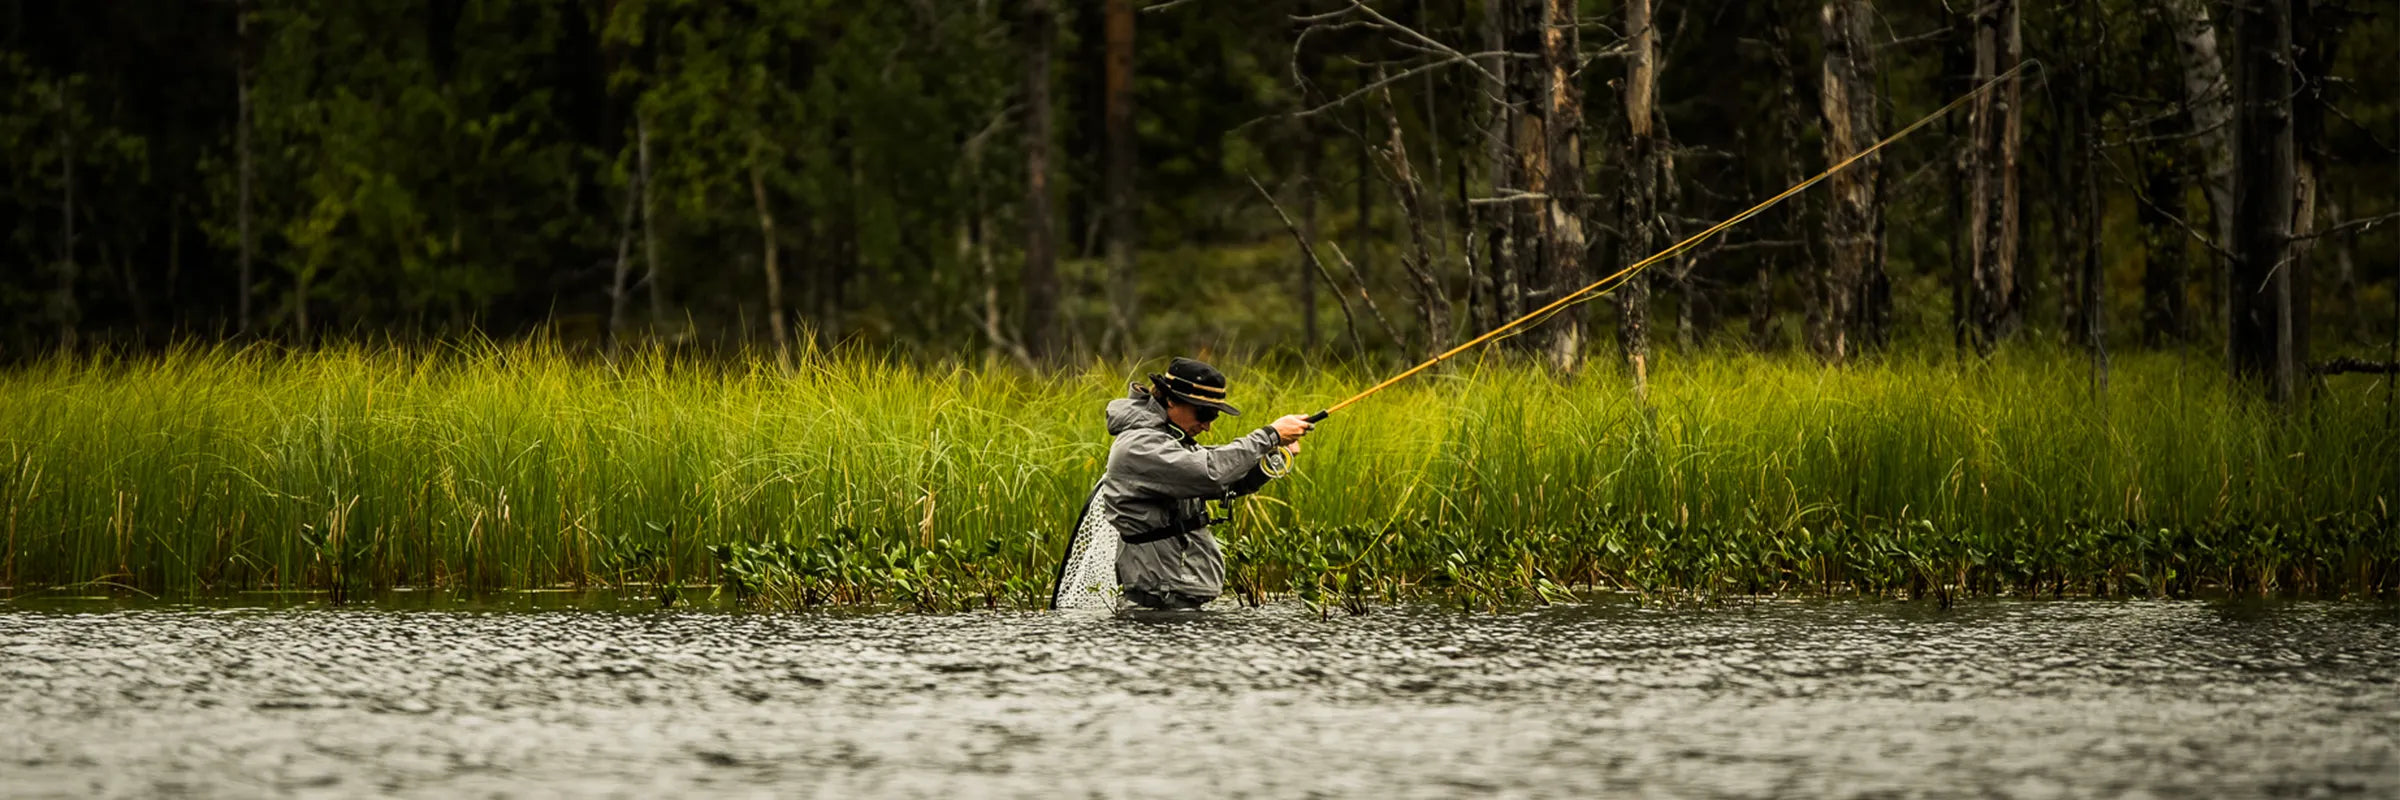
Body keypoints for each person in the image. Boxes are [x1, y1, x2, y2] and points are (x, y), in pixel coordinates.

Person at [1098, 357, 1313, 610]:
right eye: (1204, 413)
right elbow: (1210, 472)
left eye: (1214, 415)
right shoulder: (1140, 445)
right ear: (1171, 400)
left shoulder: (1171, 441)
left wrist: (1273, 457)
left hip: (1172, 595)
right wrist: (1269, 435)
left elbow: (1226, 481)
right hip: (1158, 602)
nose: (1208, 426)